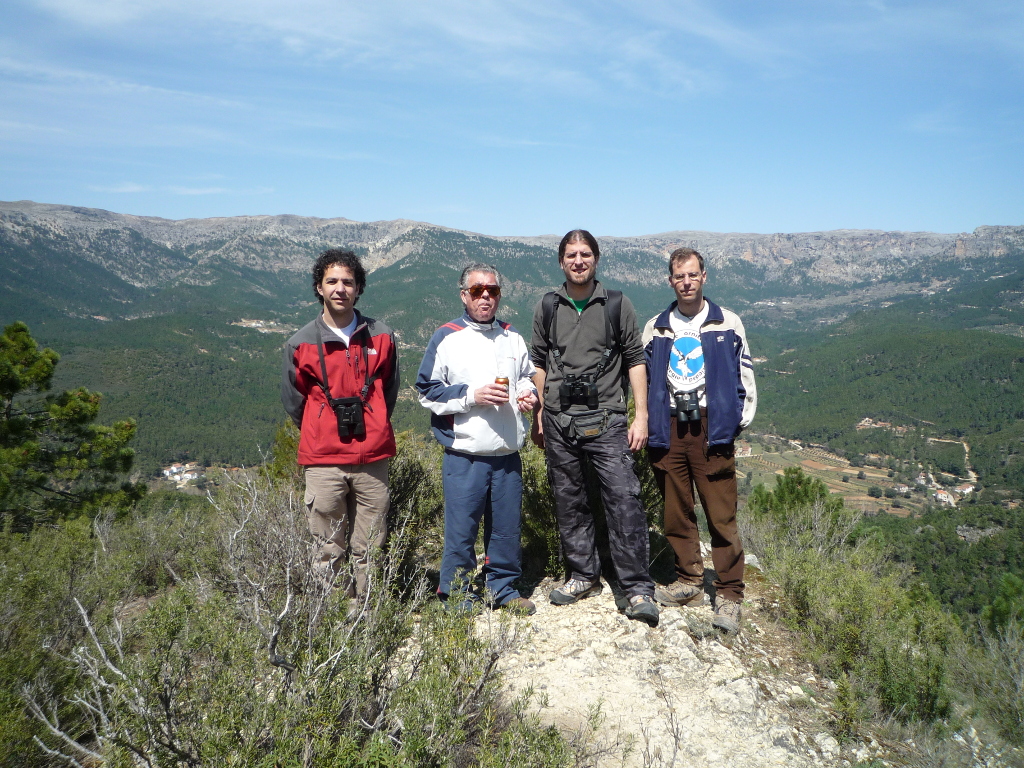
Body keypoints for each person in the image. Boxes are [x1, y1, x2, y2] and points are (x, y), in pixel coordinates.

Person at [530, 229, 659, 627]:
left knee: (624, 500)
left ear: (596, 259)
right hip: (558, 420)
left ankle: (636, 587)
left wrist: (641, 415)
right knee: (569, 500)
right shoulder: (547, 306)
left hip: (608, 420)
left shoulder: (617, 304)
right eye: (571, 255)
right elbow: (537, 361)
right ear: (561, 261)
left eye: (585, 254)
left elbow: (636, 359)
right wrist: (539, 412)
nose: (578, 261)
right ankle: (583, 576)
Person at [642, 247, 756, 634]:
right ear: (670, 280)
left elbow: (746, 378)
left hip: (711, 424)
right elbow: (642, 378)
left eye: (693, 275)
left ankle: (729, 592)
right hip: (668, 424)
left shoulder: (727, 323)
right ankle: (688, 580)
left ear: (704, 277)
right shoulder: (656, 327)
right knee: (676, 509)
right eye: (679, 276)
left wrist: (734, 423)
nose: (686, 282)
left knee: (720, 512)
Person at [416, 263, 539, 614]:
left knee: (505, 529)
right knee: (462, 531)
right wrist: (473, 395)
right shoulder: (446, 337)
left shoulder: (512, 337)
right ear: (464, 295)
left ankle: (502, 588)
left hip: (506, 452)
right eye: (477, 290)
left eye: (493, 290)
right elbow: (426, 391)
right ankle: (458, 595)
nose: (485, 296)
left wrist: (528, 395)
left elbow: (526, 378)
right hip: (464, 453)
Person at [282, 249, 399, 610]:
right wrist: (321, 428)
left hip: (372, 457)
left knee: (371, 543)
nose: (340, 289)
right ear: (319, 287)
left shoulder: (381, 336)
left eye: (348, 282)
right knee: (327, 547)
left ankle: (367, 612)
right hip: (324, 460)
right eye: (331, 281)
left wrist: (375, 421)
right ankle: (334, 617)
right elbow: (295, 400)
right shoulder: (300, 342)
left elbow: (389, 391)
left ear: (359, 288)